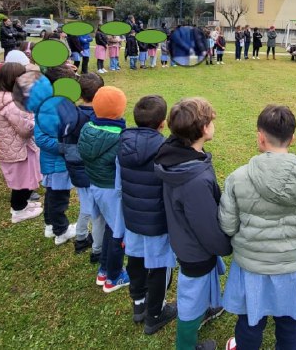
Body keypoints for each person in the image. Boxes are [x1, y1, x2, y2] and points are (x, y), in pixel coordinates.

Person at [221, 105, 296, 350]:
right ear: (293, 138)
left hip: (252, 269)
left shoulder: (237, 178)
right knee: (289, 328)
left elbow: (228, 224)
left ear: (260, 136)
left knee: (250, 323)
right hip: (293, 270)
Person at [154, 98, 232, 350]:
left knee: (199, 286)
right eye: (211, 120)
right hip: (194, 249)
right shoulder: (194, 180)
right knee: (190, 297)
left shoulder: (175, 153)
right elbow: (206, 227)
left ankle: (207, 308)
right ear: (202, 130)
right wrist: (225, 245)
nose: (214, 123)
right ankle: (185, 345)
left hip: (184, 238)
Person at [120, 95, 178, 334]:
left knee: (135, 258)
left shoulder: (122, 143)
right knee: (160, 265)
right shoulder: (166, 150)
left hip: (132, 218)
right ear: (162, 123)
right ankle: (155, 313)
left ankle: (139, 303)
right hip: (156, 222)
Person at [78, 86, 130, 293]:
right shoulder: (119, 136)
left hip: (95, 186)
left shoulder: (88, 128)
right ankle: (114, 277)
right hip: (111, 190)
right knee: (118, 233)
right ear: (119, 111)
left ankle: (104, 269)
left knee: (110, 228)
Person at [0, 62, 43, 223]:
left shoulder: (1, 97)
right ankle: (18, 210)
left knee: (23, 178)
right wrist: (37, 120)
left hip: (11, 147)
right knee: (22, 180)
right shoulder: (12, 104)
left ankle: (23, 204)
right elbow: (25, 129)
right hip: (18, 148)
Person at [21, 66, 78, 244]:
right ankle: (61, 230)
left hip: (56, 162)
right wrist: (65, 147)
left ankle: (49, 226)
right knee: (59, 198)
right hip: (56, 163)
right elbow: (42, 140)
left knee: (52, 194)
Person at [59, 73, 106, 262]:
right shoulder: (94, 119)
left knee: (87, 205)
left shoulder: (70, 114)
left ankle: (80, 237)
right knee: (96, 212)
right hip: (88, 171)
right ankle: (97, 249)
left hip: (75, 168)